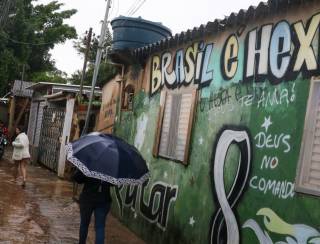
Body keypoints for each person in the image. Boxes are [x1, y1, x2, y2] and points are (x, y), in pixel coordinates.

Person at [72, 169, 112, 244]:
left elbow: (77, 178)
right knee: (100, 227)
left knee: (84, 224)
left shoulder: (90, 164)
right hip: (103, 200)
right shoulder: (111, 168)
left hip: (87, 199)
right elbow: (113, 184)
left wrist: (81, 171)